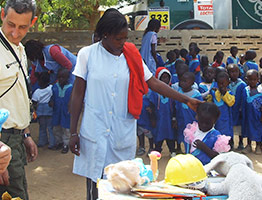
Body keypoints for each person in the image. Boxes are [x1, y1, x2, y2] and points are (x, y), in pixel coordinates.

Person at [68, 9, 204, 199]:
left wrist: (186, 99)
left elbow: (153, 82)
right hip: (94, 131)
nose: (123, 42)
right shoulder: (87, 55)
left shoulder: (131, 55)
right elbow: (77, 94)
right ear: (105, 35)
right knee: (95, 187)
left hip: (122, 131)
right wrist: (73, 132)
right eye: (118, 38)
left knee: (123, 188)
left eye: (125, 38)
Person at [0, 1, 36, 197]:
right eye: (10, 24)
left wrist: (26, 134)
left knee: (19, 192)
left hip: (16, 138)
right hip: (2, 140)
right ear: (2, 15)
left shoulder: (20, 49)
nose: (15, 33)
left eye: (22, 27)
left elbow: (18, 96)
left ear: (33, 22)